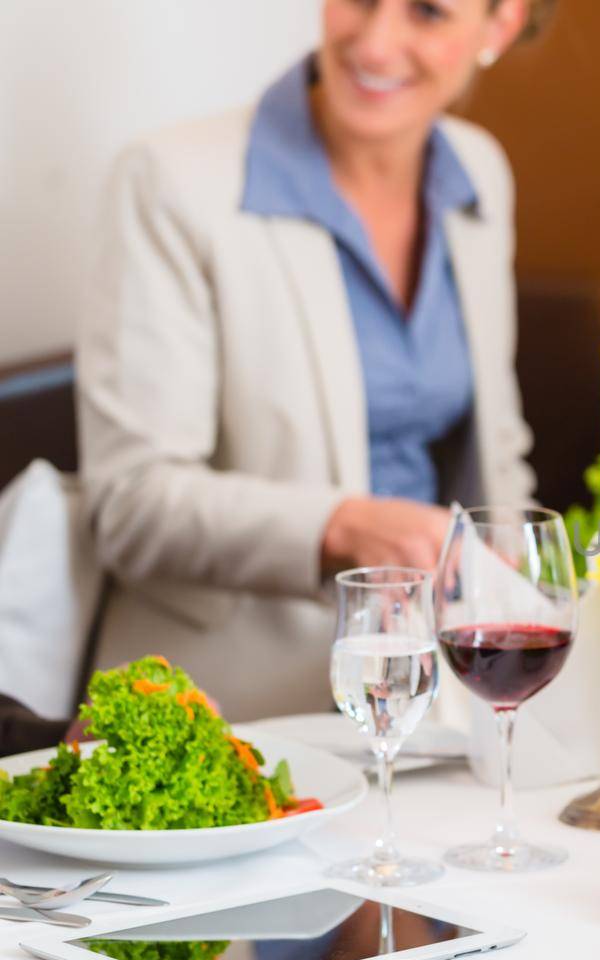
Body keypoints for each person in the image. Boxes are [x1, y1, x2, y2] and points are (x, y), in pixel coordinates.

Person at [76, 0, 537, 721]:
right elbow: (133, 503)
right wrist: (341, 525)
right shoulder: (169, 182)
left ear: (500, 26)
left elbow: (497, 455)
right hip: (235, 706)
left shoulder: (479, 170)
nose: (377, 44)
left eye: (428, 13)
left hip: (442, 696)